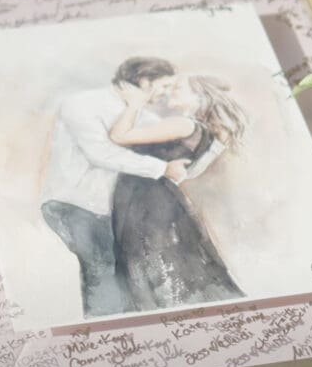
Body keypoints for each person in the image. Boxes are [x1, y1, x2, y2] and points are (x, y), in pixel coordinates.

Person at [40, 57, 190, 318]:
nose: (166, 95)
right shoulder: (82, 104)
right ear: (145, 81)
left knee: (126, 277)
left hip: (113, 210)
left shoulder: (145, 116)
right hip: (75, 203)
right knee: (102, 271)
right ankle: (104, 336)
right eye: (164, 87)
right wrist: (162, 169)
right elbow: (101, 153)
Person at [108, 74, 247, 311]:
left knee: (148, 263)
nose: (171, 91)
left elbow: (118, 136)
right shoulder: (208, 132)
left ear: (199, 97)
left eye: (178, 88)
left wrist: (134, 104)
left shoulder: (184, 124)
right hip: (160, 200)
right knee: (174, 265)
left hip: (145, 203)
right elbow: (188, 173)